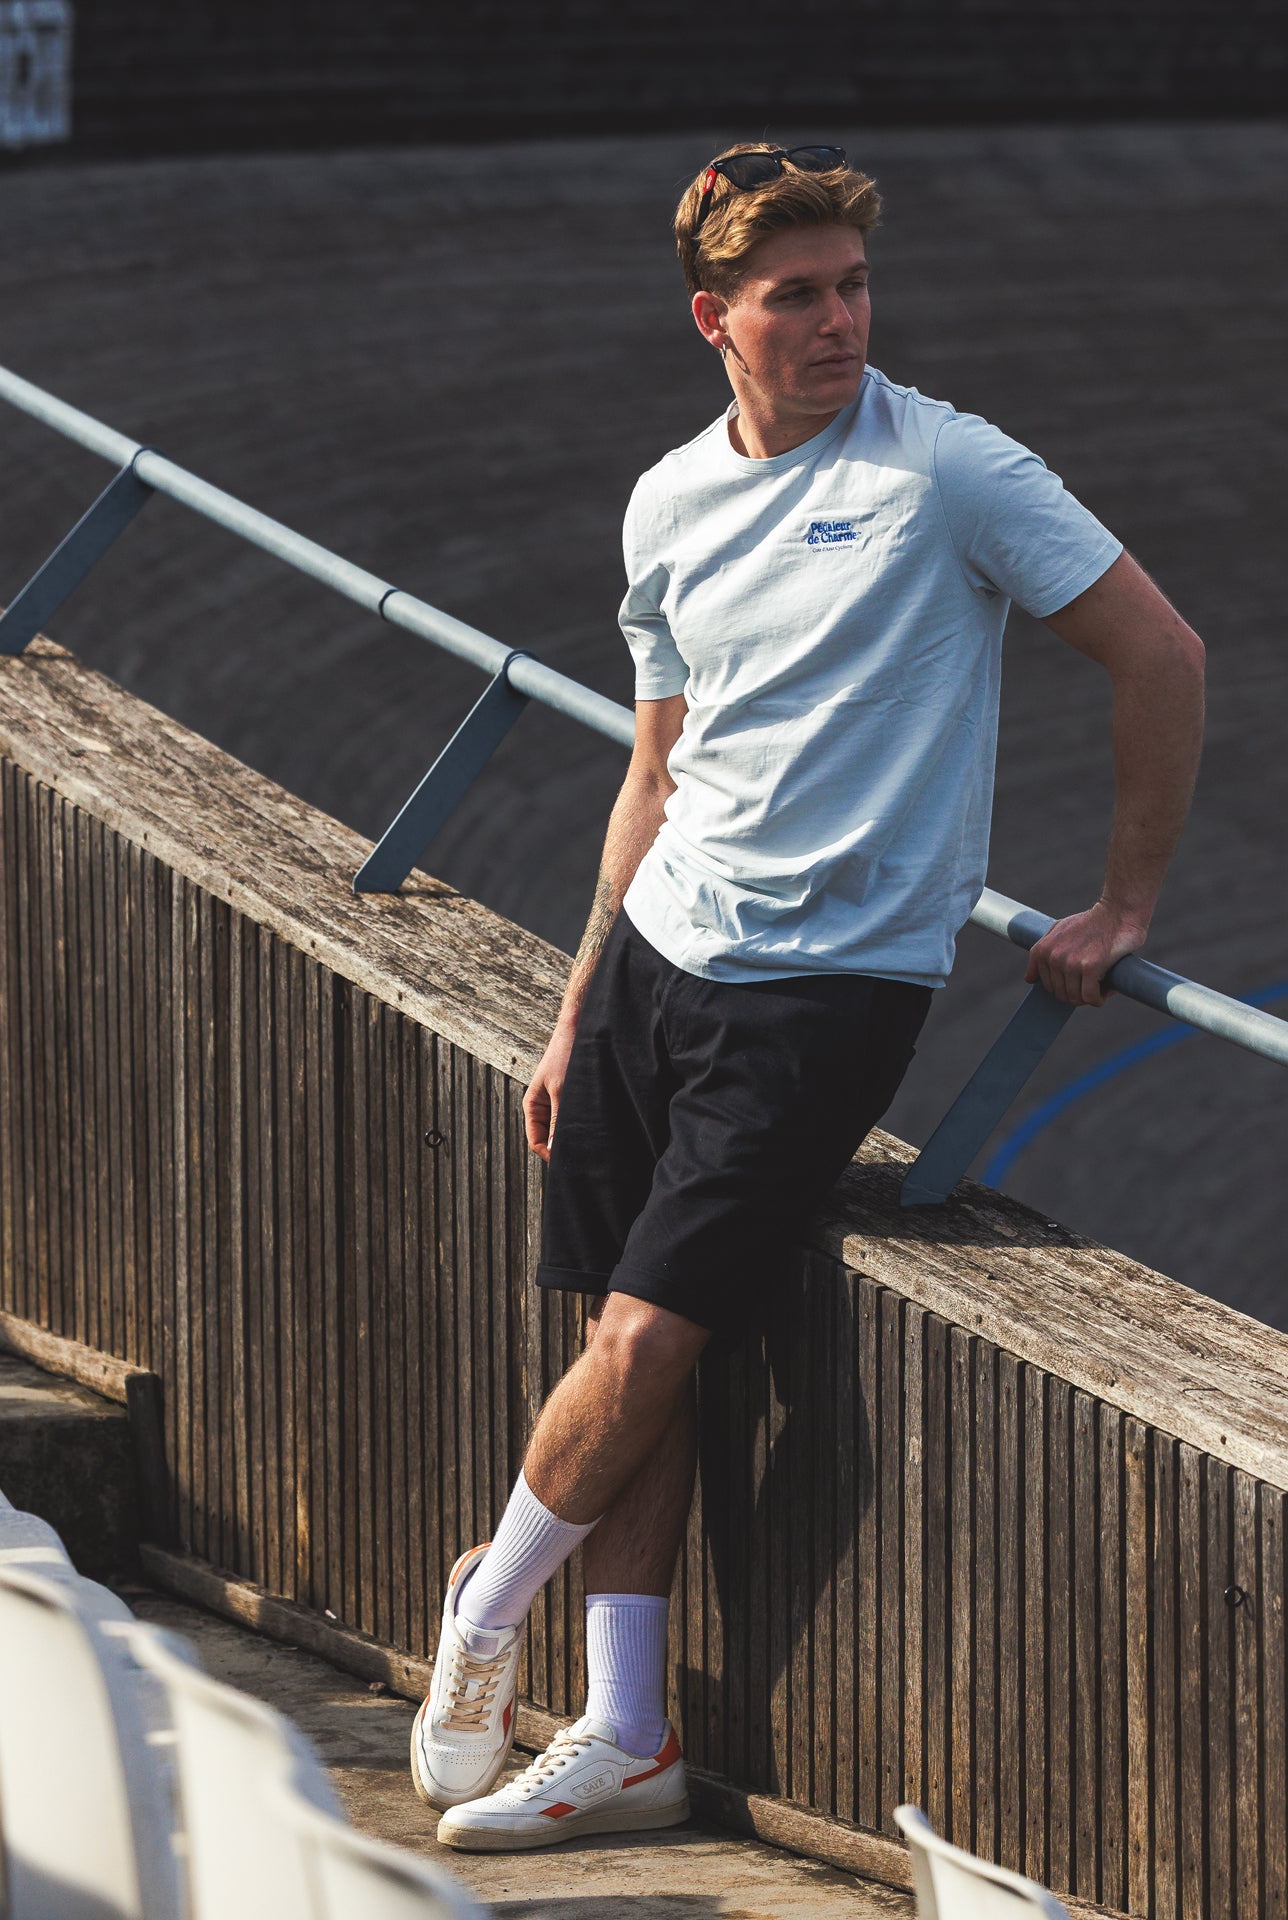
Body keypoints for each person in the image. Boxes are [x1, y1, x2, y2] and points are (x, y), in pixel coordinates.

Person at [410, 140, 1205, 1853]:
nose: (840, 320)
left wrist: (1126, 901)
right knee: (637, 1362)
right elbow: (656, 763)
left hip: (828, 992)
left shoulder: (953, 472)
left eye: (854, 286)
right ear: (718, 319)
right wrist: (573, 1004)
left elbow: (1164, 652)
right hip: (656, 959)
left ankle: (484, 1612)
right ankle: (628, 1736)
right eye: (798, 296)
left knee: (644, 1336)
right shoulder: (669, 500)